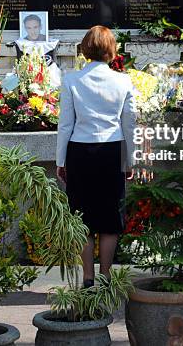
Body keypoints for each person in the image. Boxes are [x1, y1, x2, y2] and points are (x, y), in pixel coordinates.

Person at [56, 25, 137, 287]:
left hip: (80, 151)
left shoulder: (71, 80)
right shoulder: (123, 80)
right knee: (110, 217)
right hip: (112, 150)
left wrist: (60, 160)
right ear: (111, 50)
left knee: (83, 216)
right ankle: (106, 276)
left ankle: (88, 278)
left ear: (86, 49)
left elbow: (65, 124)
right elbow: (129, 123)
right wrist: (131, 159)